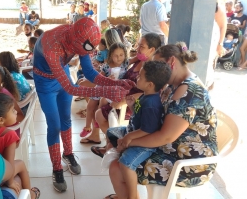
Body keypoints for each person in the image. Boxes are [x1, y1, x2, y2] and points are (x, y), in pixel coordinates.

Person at [32, 17, 135, 192]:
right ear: (76, 41)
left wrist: (116, 84)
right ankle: (57, 167)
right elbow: (72, 88)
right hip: (45, 82)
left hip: (61, 73)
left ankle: (68, 153)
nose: (86, 54)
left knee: (65, 119)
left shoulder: (81, 36)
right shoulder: (52, 46)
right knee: (54, 125)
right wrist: (105, 91)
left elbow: (90, 72)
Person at [106, 42, 218, 199]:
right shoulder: (172, 85)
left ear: (172, 61)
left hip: (189, 164)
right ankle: (125, 194)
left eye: (158, 63)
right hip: (168, 149)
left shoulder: (190, 91)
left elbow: (165, 137)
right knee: (116, 146)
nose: (155, 69)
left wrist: (129, 141)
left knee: (118, 167)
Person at [106, 60, 171, 199]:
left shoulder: (152, 104)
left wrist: (129, 138)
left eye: (140, 76)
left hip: (144, 143)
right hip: (134, 131)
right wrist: (131, 106)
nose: (137, 77)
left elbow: (148, 130)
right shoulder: (145, 96)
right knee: (111, 132)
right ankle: (119, 149)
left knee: (126, 163)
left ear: (150, 84)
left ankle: (132, 196)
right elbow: (139, 115)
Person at [85, 33, 161, 146]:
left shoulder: (153, 68)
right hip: (121, 96)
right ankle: (111, 144)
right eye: (138, 45)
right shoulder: (139, 61)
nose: (137, 48)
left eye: (142, 46)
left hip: (132, 104)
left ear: (152, 49)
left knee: (99, 114)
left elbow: (149, 93)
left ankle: (116, 144)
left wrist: (122, 101)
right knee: (96, 104)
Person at [80, 42, 128, 138]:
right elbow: (99, 78)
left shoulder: (126, 63)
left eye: (121, 55)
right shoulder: (107, 66)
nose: (119, 58)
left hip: (114, 91)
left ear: (125, 55)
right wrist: (107, 79)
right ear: (111, 55)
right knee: (90, 106)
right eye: (116, 55)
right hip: (102, 88)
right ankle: (87, 127)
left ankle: (97, 121)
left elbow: (137, 59)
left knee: (102, 101)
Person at [230, 2, 247, 69]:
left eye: (237, 7)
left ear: (241, 8)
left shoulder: (244, 16)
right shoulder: (233, 15)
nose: (236, 9)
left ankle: (243, 64)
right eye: (235, 7)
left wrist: (239, 25)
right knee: (244, 49)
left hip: (242, 33)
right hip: (245, 33)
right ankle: (242, 62)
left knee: (241, 48)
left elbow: (243, 26)